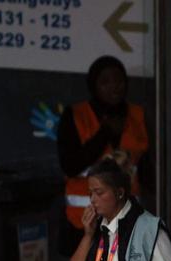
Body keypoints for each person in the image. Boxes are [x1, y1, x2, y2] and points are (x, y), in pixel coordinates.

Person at [58, 55, 149, 245]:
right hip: (85, 224)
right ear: (93, 85)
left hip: (127, 224)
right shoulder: (76, 115)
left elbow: (148, 169)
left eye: (119, 80)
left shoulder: (138, 116)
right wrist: (104, 133)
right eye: (105, 82)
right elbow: (70, 165)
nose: (114, 86)